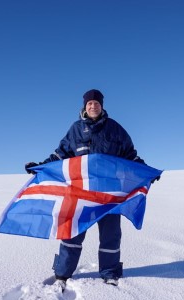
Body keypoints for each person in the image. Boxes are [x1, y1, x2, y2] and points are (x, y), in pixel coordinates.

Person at [24, 89, 147, 288]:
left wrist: (146, 171)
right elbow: (60, 155)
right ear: (84, 106)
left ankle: (110, 273)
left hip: (108, 194)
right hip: (79, 193)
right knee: (71, 233)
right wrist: (41, 166)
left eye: (96, 103)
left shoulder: (115, 129)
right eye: (89, 103)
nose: (93, 106)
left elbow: (130, 156)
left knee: (111, 235)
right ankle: (62, 273)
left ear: (102, 105)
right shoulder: (76, 129)